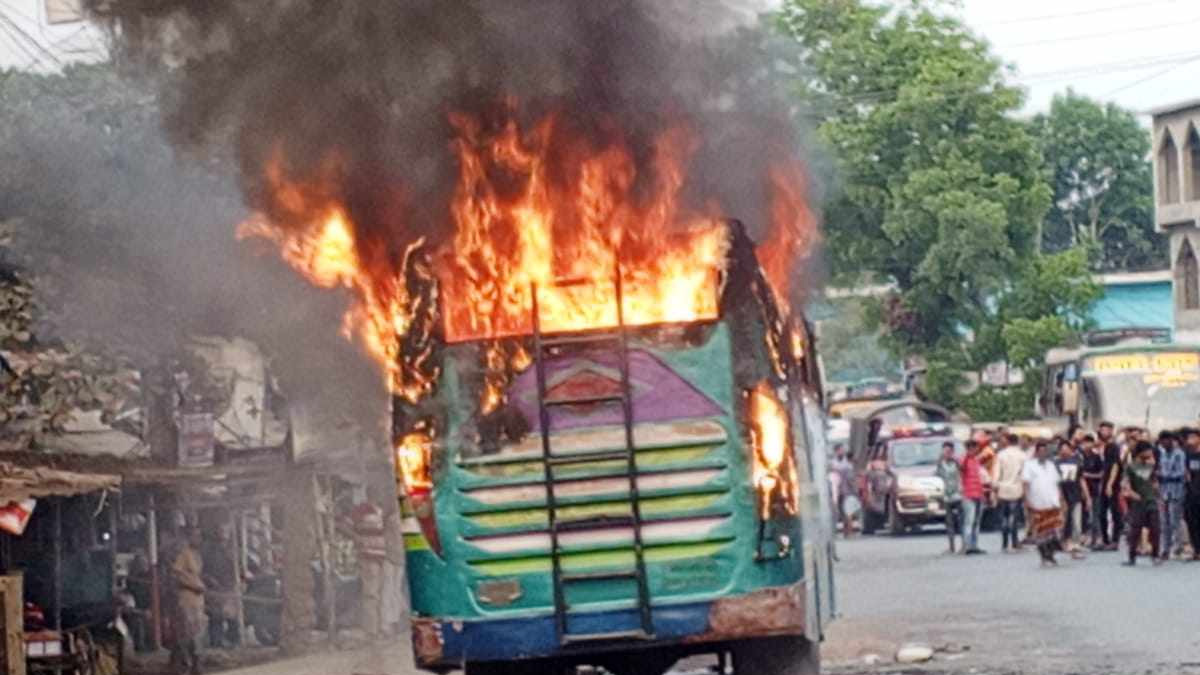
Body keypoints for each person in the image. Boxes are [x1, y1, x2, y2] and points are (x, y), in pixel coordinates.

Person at [1021, 441, 1065, 567]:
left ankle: (1050, 555)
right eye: (1040, 451)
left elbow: (1057, 484)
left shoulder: (1051, 465)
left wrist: (1061, 500)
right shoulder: (1029, 465)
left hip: (1052, 503)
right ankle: (1044, 556)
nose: (1042, 453)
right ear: (1036, 453)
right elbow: (1025, 484)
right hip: (1037, 504)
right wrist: (1026, 501)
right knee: (1041, 533)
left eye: (1044, 451)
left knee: (1053, 532)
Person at [351, 492, 388, 639]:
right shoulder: (363, 510)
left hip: (382, 557)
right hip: (369, 556)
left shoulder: (383, 510)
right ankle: (372, 629)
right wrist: (359, 540)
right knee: (371, 594)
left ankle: (377, 627)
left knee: (378, 593)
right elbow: (345, 524)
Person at [170, 528, 206, 675]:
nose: (198, 539)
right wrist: (192, 586)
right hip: (186, 599)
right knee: (186, 634)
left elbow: (197, 575)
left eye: (200, 536)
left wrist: (202, 585)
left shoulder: (197, 555)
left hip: (198, 601)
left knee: (198, 634)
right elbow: (176, 576)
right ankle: (186, 665)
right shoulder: (184, 554)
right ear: (190, 538)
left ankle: (196, 664)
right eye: (195, 536)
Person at [1122, 442, 1162, 566]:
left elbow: (1155, 481)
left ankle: (1155, 555)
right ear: (1140, 452)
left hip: (1152, 501)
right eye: (1148, 451)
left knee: (1155, 528)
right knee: (1135, 530)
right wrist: (1131, 492)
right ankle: (1131, 556)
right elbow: (1125, 482)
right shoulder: (1130, 467)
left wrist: (1158, 493)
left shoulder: (1152, 466)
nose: (1150, 453)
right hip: (1138, 502)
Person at [992, 434, 1027, 552]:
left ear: (1007, 441)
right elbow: (1025, 474)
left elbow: (996, 474)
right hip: (1017, 489)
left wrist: (995, 488)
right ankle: (1014, 541)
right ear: (1017, 442)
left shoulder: (1001, 455)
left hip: (1003, 489)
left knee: (1004, 517)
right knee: (1014, 516)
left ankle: (1004, 543)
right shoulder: (1023, 455)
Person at [1157, 432, 1187, 561]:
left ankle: (1178, 546)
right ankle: (1165, 548)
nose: (1164, 444)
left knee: (1175, 520)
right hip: (1164, 491)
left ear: (1171, 440)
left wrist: (1166, 475)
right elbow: (1160, 469)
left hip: (1176, 490)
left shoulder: (1179, 454)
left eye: (1166, 441)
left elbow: (1181, 472)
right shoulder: (1162, 454)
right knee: (1164, 521)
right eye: (1161, 441)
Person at [1055, 438, 1086, 554]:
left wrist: (1086, 496)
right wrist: (1059, 497)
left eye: (1066, 449)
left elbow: (1081, 479)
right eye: (1062, 449)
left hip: (1076, 494)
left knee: (1077, 521)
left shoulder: (1077, 461)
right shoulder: (1056, 463)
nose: (1064, 451)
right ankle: (1064, 541)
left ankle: (1075, 543)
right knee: (1064, 521)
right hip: (1062, 495)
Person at [960, 440, 988, 555]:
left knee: (976, 522)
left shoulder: (976, 461)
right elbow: (961, 469)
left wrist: (983, 494)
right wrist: (967, 455)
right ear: (970, 448)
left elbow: (979, 478)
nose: (977, 451)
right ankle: (966, 546)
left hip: (978, 494)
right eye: (975, 448)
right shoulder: (963, 460)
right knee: (969, 521)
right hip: (968, 494)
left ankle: (974, 545)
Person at [935, 441, 963, 554]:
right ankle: (951, 547)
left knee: (961, 521)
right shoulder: (941, 464)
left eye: (949, 451)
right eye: (945, 451)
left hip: (958, 495)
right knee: (949, 522)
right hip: (947, 496)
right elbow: (937, 473)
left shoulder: (957, 463)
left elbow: (963, 471)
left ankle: (964, 545)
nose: (947, 453)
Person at [1098, 422, 1123, 550]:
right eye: (1102, 430)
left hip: (1112, 484)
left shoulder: (1113, 446)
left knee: (1114, 512)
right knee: (1101, 513)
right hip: (1104, 482)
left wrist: (1110, 484)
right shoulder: (1104, 447)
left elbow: (1115, 465)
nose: (1104, 432)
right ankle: (1105, 540)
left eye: (1106, 430)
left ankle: (1114, 540)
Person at [1079, 434, 1107, 549]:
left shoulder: (1096, 457)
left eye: (1089, 442)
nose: (1087, 445)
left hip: (1094, 489)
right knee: (1083, 515)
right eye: (1085, 443)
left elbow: (1101, 474)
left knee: (1095, 515)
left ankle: (1097, 539)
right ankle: (1085, 537)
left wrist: (1088, 475)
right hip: (1080, 490)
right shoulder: (1079, 457)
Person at [830, 444, 856, 538]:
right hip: (836, 491)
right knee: (836, 511)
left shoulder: (847, 462)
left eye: (843, 450)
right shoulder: (832, 462)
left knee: (847, 511)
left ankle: (848, 532)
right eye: (840, 450)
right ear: (836, 451)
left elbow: (850, 475)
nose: (842, 452)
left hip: (846, 490)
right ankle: (834, 532)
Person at [1184, 428, 1200, 561]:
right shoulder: (1187, 454)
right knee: (1191, 521)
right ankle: (1196, 549)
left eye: (1193, 437)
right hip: (1190, 493)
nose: (1190, 440)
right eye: (1189, 438)